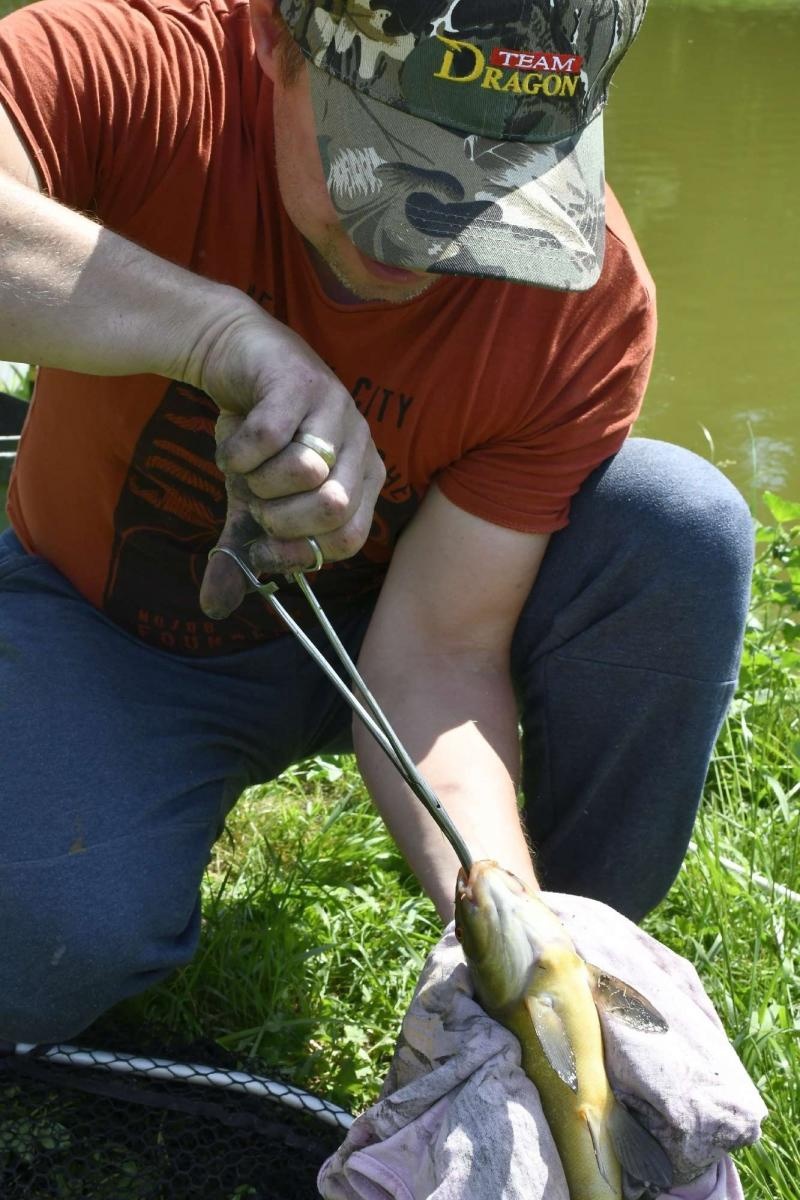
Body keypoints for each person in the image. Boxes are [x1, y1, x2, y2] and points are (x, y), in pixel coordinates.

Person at [0, 0, 753, 1046]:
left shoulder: (583, 297)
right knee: (35, 937)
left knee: (673, 526)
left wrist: (504, 921)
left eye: (494, 174)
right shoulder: (143, 69)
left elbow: (439, 654)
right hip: (109, 629)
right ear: (276, 41)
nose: (434, 234)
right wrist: (220, 334)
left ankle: (575, 976)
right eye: (392, 157)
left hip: (388, 627)